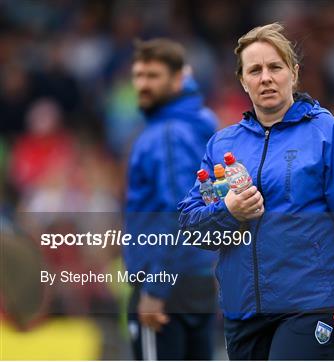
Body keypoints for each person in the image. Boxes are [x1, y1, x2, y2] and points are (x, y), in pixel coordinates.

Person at [178, 23, 334, 360]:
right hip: (243, 311)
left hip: (312, 305)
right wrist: (229, 212)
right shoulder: (222, 144)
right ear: (242, 81)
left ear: (293, 73)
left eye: (275, 67)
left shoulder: (326, 133)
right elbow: (191, 226)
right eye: (255, 70)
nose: (266, 77)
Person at [123, 38, 218, 360]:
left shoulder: (166, 134)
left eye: (153, 76)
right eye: (139, 75)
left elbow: (176, 211)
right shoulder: (198, 127)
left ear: (179, 79)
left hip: (164, 283)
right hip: (197, 276)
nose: (143, 84)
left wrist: (155, 288)